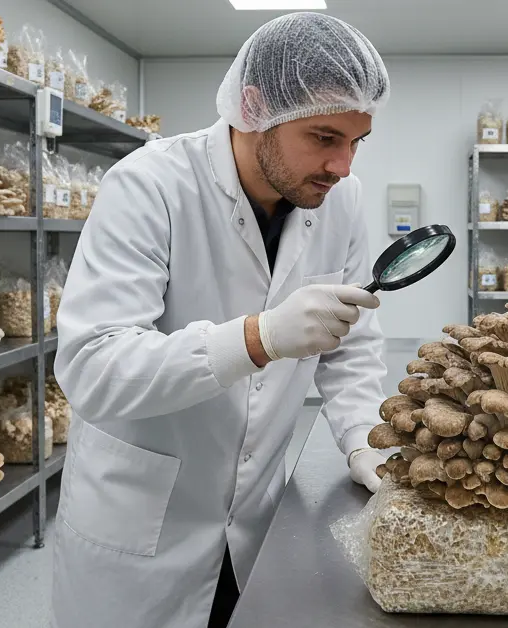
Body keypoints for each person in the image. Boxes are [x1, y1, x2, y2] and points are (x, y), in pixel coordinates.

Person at [49, 13, 391, 628]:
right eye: (323, 137)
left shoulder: (343, 200)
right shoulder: (149, 184)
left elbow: (351, 342)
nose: (342, 165)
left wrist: (363, 436)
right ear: (254, 108)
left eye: (356, 141)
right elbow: (93, 366)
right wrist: (257, 339)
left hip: (257, 517)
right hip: (142, 522)